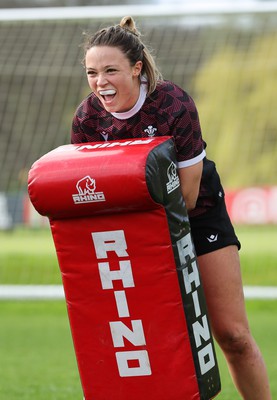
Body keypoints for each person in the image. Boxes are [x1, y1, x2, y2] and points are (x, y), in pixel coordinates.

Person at [71, 16, 271, 399]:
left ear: (136, 67)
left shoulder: (172, 104)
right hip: (131, 229)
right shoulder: (87, 119)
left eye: (111, 70)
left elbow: (190, 197)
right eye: (92, 72)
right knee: (157, 341)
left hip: (194, 215)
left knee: (232, 335)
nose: (101, 82)